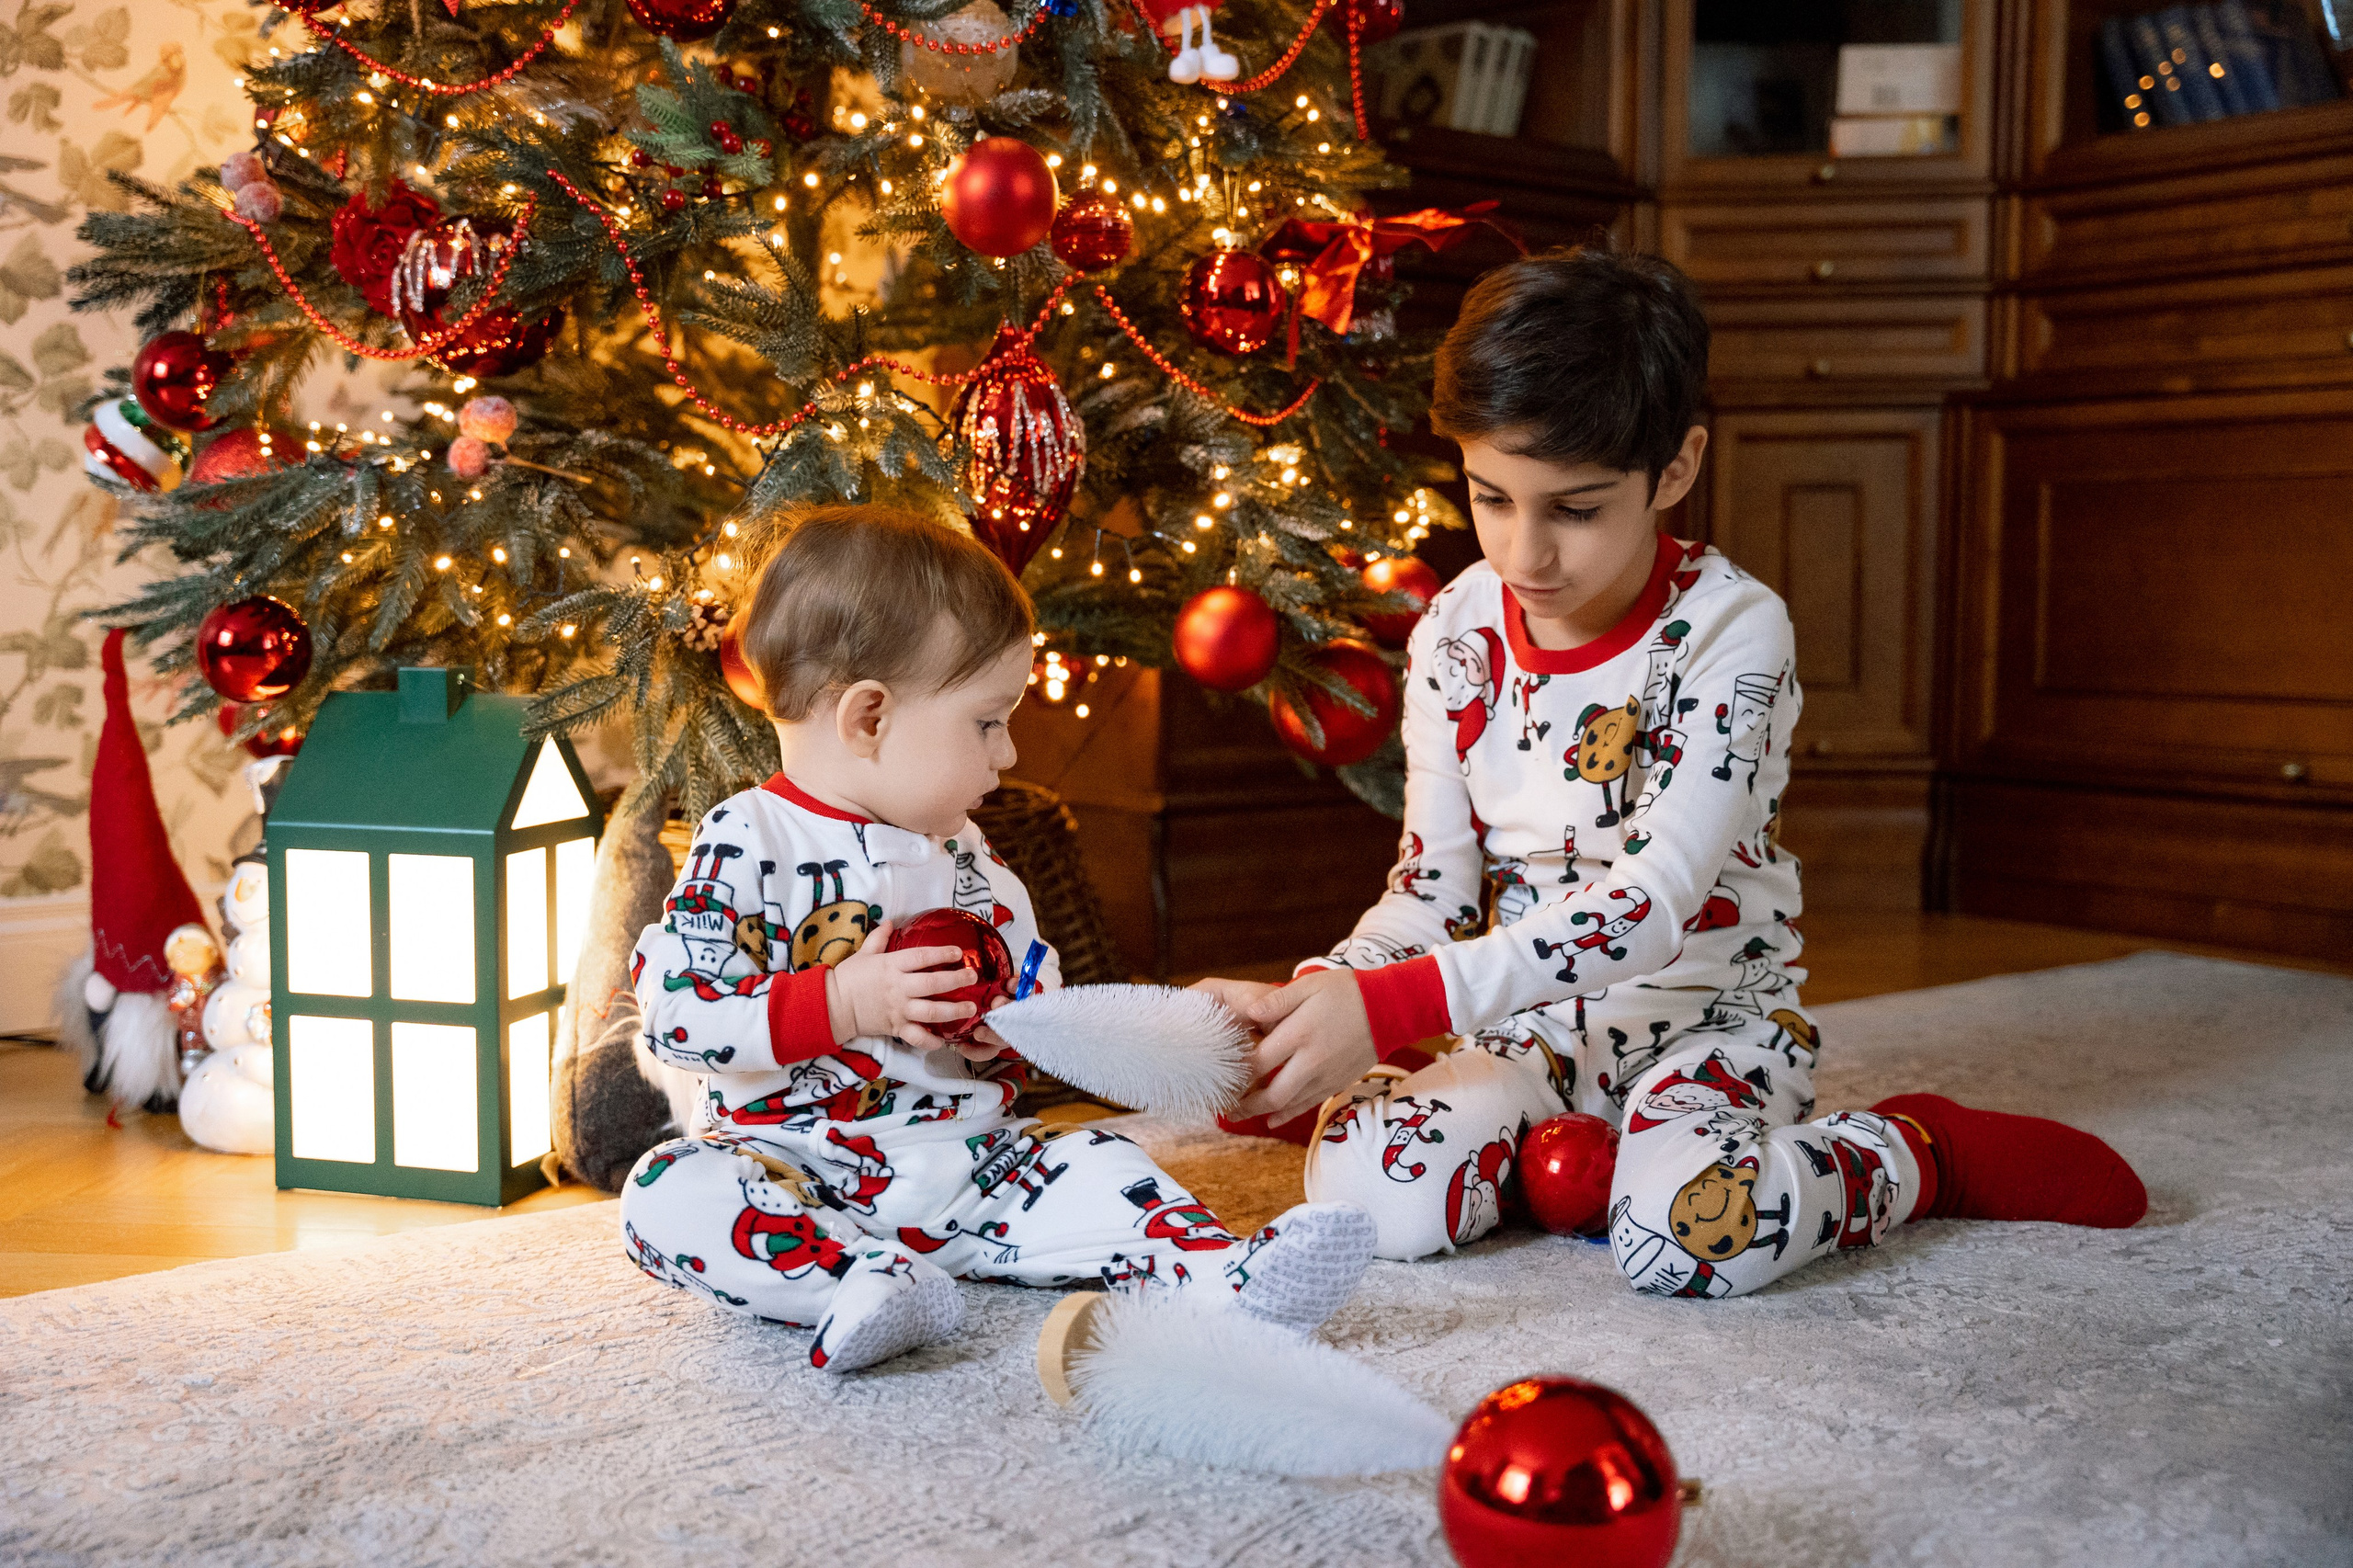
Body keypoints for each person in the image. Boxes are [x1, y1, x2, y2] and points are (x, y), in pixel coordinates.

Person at [1197, 249, 2146, 1298]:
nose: (1522, 554)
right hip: (1529, 1026)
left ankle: (1915, 1152)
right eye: (1490, 496)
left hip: (1710, 1021)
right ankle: (1554, 1156)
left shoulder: (1734, 629)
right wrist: (1319, 1000)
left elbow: (1648, 907)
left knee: (1691, 1244)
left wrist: (1386, 1011)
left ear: (1677, 468)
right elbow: (1429, 893)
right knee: (1368, 1200)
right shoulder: (1454, 631)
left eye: (1575, 509)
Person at [620, 507, 1376, 1369]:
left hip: (975, 1166)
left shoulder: (967, 853)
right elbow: (677, 1016)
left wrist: (1007, 1025)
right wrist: (847, 1000)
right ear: (869, 718)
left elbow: (1033, 981)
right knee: (665, 1194)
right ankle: (855, 1286)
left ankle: (1222, 1274)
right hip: (794, 1170)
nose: (1009, 752)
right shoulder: (746, 841)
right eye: (987, 722)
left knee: (1095, 1158)